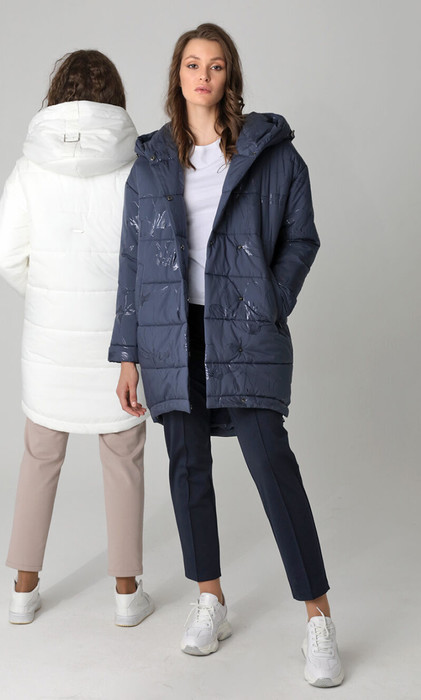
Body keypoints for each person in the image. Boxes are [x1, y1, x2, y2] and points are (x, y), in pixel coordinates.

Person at [109, 24, 343, 687]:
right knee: (187, 466)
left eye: (214, 65)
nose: (203, 76)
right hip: (171, 330)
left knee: (271, 463)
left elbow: (301, 237)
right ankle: (209, 598)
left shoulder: (272, 155)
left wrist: (270, 298)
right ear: (177, 76)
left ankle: (318, 619)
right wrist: (127, 354)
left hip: (242, 326)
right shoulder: (151, 161)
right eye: (192, 64)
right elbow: (131, 261)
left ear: (228, 76)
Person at [0, 50, 153, 628]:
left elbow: (2, 251)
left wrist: (45, 293)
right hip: (118, 345)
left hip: (50, 347)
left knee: (40, 458)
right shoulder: (137, 167)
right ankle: (127, 595)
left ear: (57, 92)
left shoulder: (30, 167)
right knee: (124, 458)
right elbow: (152, 259)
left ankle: (22, 591)